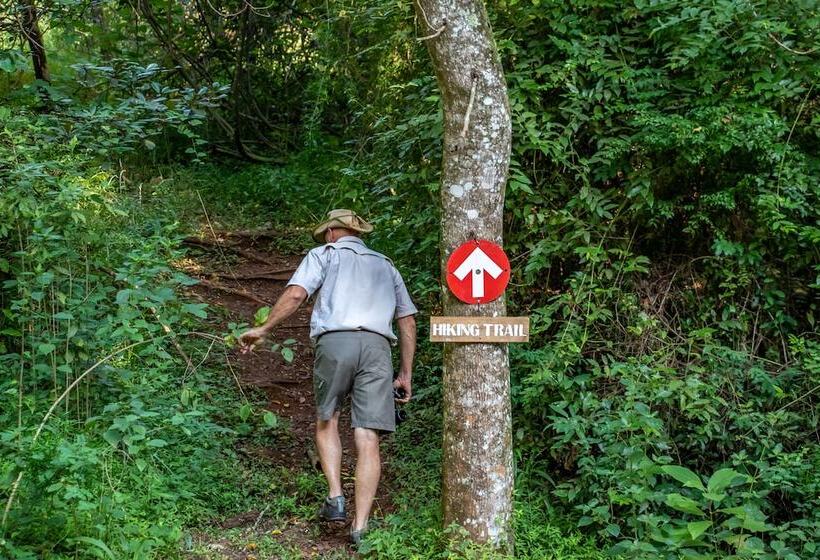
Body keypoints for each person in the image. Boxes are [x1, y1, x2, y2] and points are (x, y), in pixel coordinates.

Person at [238, 209, 418, 545]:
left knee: (328, 418)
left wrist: (264, 328)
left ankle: (335, 496)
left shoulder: (324, 254)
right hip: (378, 347)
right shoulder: (385, 264)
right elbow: (407, 321)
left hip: (335, 342)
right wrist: (405, 373)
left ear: (333, 233)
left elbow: (295, 294)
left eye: (325, 234)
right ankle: (361, 528)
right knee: (368, 437)